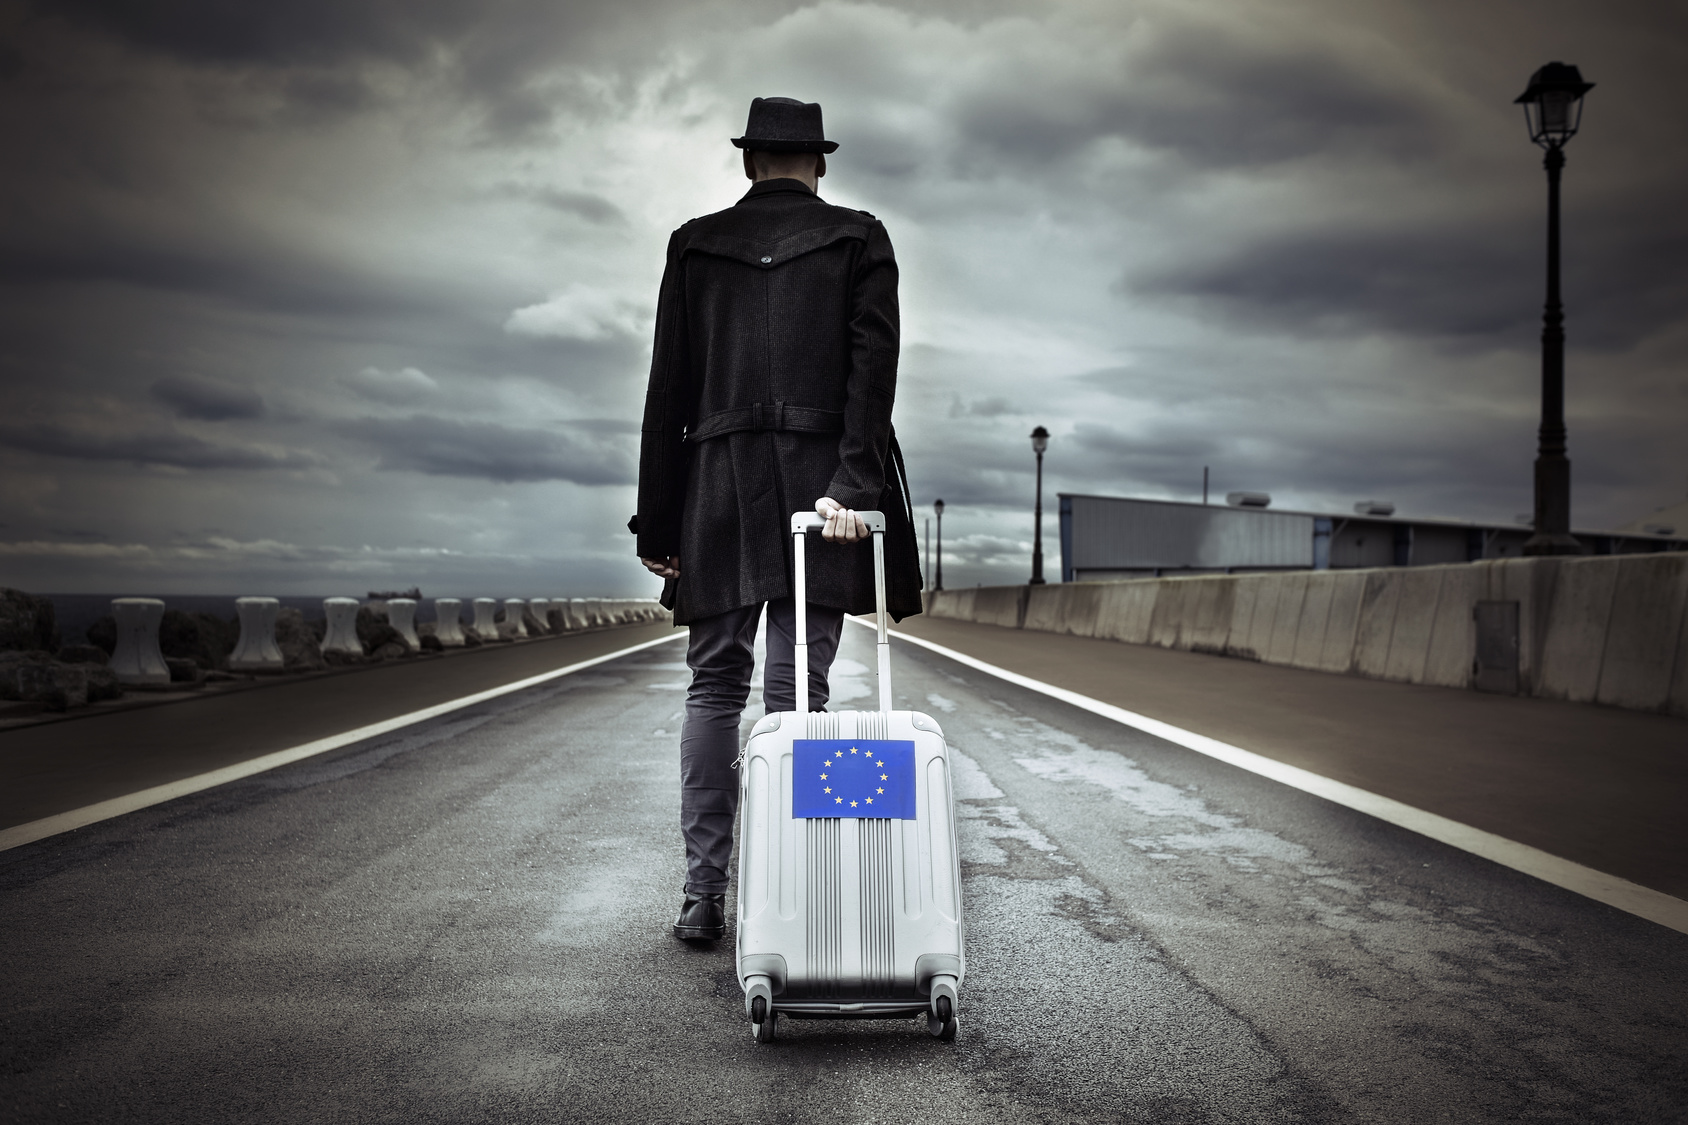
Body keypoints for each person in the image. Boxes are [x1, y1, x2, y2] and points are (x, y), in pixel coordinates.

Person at [631, 96, 923, 941]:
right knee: (800, 694)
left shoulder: (693, 243)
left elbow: (667, 393)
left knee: (715, 684)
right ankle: (796, 888)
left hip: (714, 489)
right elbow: (875, 377)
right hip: (821, 489)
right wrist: (852, 487)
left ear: (749, 162)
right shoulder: (860, 236)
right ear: (819, 163)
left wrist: (659, 523)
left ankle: (703, 894)